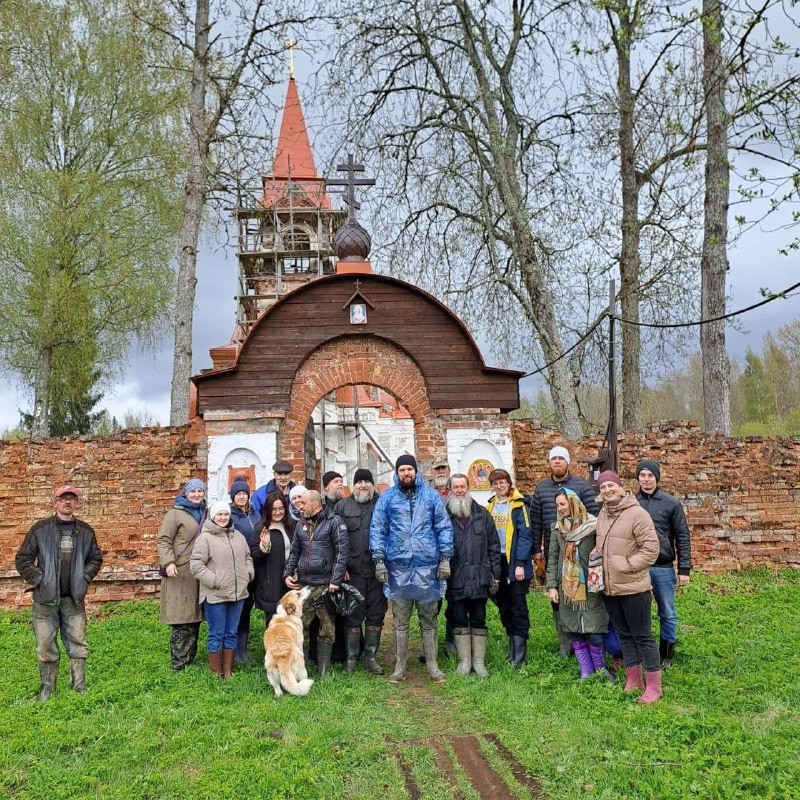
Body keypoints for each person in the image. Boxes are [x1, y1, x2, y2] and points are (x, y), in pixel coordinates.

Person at [369, 454, 454, 684]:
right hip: (398, 567)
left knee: (429, 619)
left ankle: (433, 665)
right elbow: (378, 529)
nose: (406, 473)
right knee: (400, 620)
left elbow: (443, 526)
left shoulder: (431, 497)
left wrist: (445, 557)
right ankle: (399, 667)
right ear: (396, 473)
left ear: (416, 471)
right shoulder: (387, 499)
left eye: (409, 469)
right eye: (402, 470)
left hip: (427, 565)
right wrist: (379, 560)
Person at [15, 485, 103, 701]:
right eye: (63, 498)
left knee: (78, 643)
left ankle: (79, 685)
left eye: (72, 498)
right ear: (55, 503)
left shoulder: (85, 531)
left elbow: (95, 558)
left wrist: (84, 578)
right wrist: (39, 579)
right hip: (45, 600)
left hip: (73, 600)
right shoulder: (40, 529)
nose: (67, 502)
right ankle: (48, 687)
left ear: (77, 503)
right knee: (45, 645)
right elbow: (23, 559)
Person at [594, 470, 662, 703]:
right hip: (610, 588)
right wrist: (596, 558)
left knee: (642, 636)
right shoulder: (604, 513)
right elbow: (602, 544)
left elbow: (651, 550)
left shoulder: (637, 514)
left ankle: (654, 686)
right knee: (624, 635)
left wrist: (627, 565)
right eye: (603, 487)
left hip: (634, 587)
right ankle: (634, 679)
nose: (607, 490)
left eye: (611, 486)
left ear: (620, 487)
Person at [531, 446, 600, 657]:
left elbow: (594, 517)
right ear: (549, 463)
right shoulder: (542, 489)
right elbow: (535, 520)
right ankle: (565, 645)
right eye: (554, 459)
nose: (558, 462)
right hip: (555, 547)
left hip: (581, 552)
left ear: (567, 462)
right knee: (558, 601)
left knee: (585, 600)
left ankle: (588, 642)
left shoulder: (582, 486)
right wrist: (536, 550)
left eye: (562, 458)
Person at [546, 488, 613, 681]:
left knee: (594, 628)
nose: (559, 508)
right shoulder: (557, 529)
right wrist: (552, 586)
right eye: (557, 505)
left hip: (591, 586)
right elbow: (553, 559)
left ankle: (601, 670)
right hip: (567, 586)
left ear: (573, 503)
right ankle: (585, 671)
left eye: (563, 504)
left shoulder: (594, 526)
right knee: (574, 628)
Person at [284, 490, 349, 676]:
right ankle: (300, 669)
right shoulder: (300, 525)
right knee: (300, 626)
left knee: (327, 627)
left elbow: (341, 553)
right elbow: (294, 552)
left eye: (303, 503)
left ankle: (323, 670)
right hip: (304, 585)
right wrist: (288, 573)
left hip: (326, 584)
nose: (300, 506)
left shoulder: (334, 522)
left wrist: (335, 580)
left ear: (315, 503)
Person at [635, 459, 691, 667]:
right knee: (640, 612)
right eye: (643, 475)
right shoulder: (631, 502)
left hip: (663, 567)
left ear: (657, 478)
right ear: (638, 478)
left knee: (667, 611)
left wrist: (684, 569)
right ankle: (643, 651)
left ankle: (666, 652)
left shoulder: (671, 503)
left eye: (650, 476)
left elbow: (682, 536)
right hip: (638, 567)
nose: (646, 479)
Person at [190, 500, 253, 678]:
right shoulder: (205, 538)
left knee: (231, 633)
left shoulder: (238, 536)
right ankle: (216, 675)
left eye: (226, 514)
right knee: (217, 634)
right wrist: (215, 580)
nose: (223, 517)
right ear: (213, 516)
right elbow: (196, 565)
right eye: (219, 514)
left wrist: (248, 574)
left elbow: (248, 557)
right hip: (215, 595)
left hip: (237, 594)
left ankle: (228, 671)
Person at [445, 474, 501, 677]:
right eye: (456, 487)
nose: (459, 490)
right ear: (450, 490)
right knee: (458, 618)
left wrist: (495, 574)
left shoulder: (482, 514)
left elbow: (494, 546)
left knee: (479, 617)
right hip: (456, 577)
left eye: (463, 487)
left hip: (480, 576)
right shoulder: (445, 516)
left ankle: (479, 663)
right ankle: (464, 662)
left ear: (468, 488)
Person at [334, 468, 388, 674]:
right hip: (352, 572)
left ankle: (371, 657)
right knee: (352, 615)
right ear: (353, 485)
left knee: (376, 614)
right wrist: (341, 566)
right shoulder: (342, 506)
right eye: (359, 482)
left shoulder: (383, 505)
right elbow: (333, 539)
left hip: (377, 571)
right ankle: (351, 659)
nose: (363, 485)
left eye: (367, 481)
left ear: (373, 485)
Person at [157, 478, 207, 671]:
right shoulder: (175, 514)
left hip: (199, 571)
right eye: (193, 491)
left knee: (194, 614)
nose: (196, 495)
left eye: (200, 491)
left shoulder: (206, 512)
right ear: (186, 493)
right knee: (180, 616)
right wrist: (168, 562)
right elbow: (163, 540)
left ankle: (190, 658)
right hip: (179, 571)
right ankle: (179, 662)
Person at [486, 469, 532, 669]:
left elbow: (525, 535)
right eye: (495, 483)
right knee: (504, 605)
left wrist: (521, 563)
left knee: (518, 606)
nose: (499, 486)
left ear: (509, 483)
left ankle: (520, 656)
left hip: (514, 562)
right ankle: (512, 650)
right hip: (498, 562)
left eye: (502, 482)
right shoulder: (490, 506)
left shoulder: (519, 505)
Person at [251, 492, 293, 631]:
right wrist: (265, 547)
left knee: (291, 623)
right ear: (268, 510)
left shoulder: (291, 526)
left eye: (281, 508)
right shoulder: (261, 528)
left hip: (290, 582)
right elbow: (254, 556)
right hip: (271, 585)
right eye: (274, 509)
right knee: (274, 626)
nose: (277, 512)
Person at [229, 476, 260, 662]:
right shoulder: (229, 515)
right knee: (238, 607)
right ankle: (234, 650)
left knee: (247, 606)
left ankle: (243, 649)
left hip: (256, 565)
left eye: (244, 493)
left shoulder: (255, 513)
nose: (241, 497)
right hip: (237, 567)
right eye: (238, 494)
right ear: (233, 497)